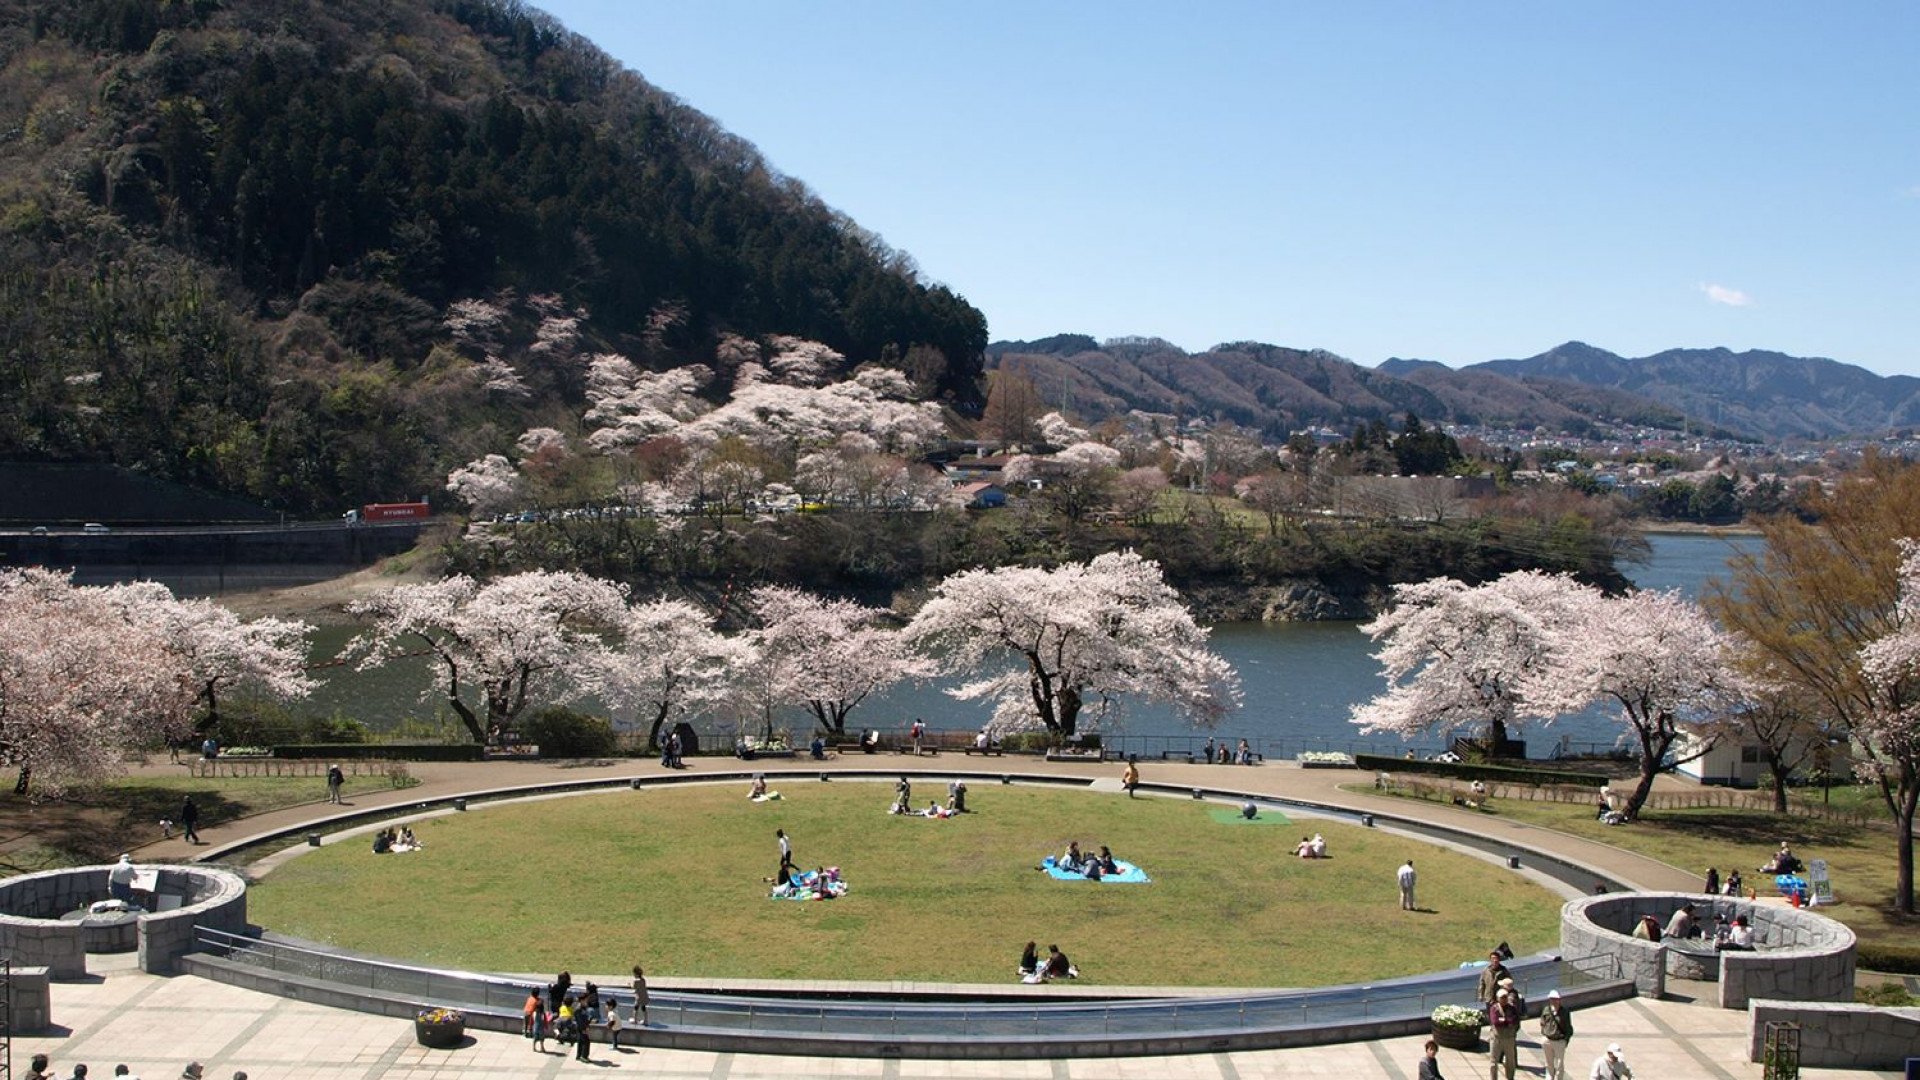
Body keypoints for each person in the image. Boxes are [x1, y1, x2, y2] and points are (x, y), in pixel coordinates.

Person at [1538, 988, 1573, 1080]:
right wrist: (1544, 1033)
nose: (1554, 1001)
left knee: (1559, 1064)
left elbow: (1569, 1027)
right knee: (1549, 1063)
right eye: (1552, 999)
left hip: (1559, 1040)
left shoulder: (1564, 1011)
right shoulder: (1546, 1009)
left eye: (1556, 999)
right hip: (1547, 1039)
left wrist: (1565, 1040)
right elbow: (1542, 1022)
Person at [1488, 988, 1521, 1080]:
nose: (1504, 999)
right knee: (1493, 1062)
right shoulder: (1494, 1008)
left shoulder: (1512, 1008)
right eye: (1502, 998)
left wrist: (1504, 1020)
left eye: (1505, 997)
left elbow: (1515, 1020)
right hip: (1496, 1038)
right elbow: (1495, 1022)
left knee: (1510, 1061)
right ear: (1498, 998)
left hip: (1509, 1038)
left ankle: (1510, 1078)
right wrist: (1507, 1022)